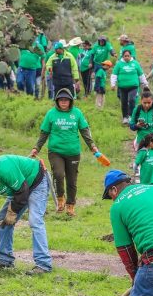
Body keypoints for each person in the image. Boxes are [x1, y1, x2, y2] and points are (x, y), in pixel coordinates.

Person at [30, 88, 101, 216]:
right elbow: (44, 133)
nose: (63, 102)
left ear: (70, 101)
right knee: (58, 174)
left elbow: (85, 131)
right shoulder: (51, 114)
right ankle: (60, 198)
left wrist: (92, 146)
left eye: (66, 100)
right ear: (57, 101)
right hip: (56, 151)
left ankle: (70, 205)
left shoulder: (77, 113)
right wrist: (36, 148)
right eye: (61, 100)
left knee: (72, 180)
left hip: (73, 152)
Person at [111, 50, 147, 124]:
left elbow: (141, 74)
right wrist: (113, 84)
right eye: (125, 56)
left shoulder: (135, 63)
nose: (126, 57)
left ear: (131, 56)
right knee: (123, 102)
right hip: (122, 87)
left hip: (133, 86)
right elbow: (114, 75)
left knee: (131, 100)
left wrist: (145, 84)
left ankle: (131, 116)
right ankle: (125, 117)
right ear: (123, 56)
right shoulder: (119, 64)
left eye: (128, 56)